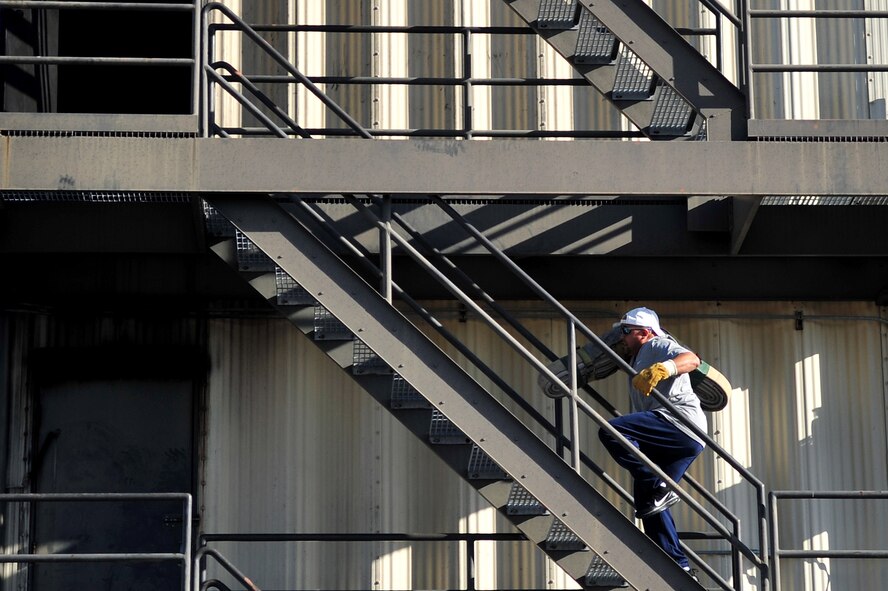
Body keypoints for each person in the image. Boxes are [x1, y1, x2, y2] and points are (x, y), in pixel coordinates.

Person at [597, 307, 705, 578]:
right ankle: (677, 565)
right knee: (649, 506)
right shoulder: (638, 357)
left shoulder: (656, 344)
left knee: (611, 432)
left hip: (677, 423)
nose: (622, 338)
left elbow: (691, 359)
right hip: (684, 438)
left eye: (626, 331)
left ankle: (657, 483)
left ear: (643, 333)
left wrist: (664, 368)